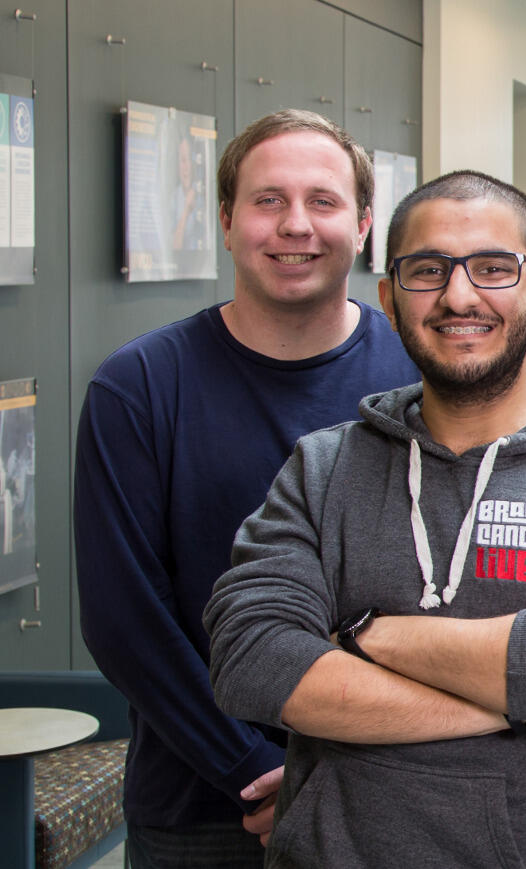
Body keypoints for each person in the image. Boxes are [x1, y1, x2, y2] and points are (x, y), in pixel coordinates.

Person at [204, 170, 526, 865]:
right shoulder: (323, 468)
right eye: (428, 271)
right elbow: (252, 657)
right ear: (390, 300)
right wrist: (518, 693)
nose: (460, 295)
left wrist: (368, 634)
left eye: (494, 268)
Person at [73, 109, 417, 867]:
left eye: (322, 202)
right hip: (202, 810)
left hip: (396, 798)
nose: (295, 225)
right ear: (226, 221)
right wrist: (255, 773)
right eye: (268, 200)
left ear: (362, 225)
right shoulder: (139, 388)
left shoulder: (421, 382)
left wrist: (340, 771)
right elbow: (126, 622)